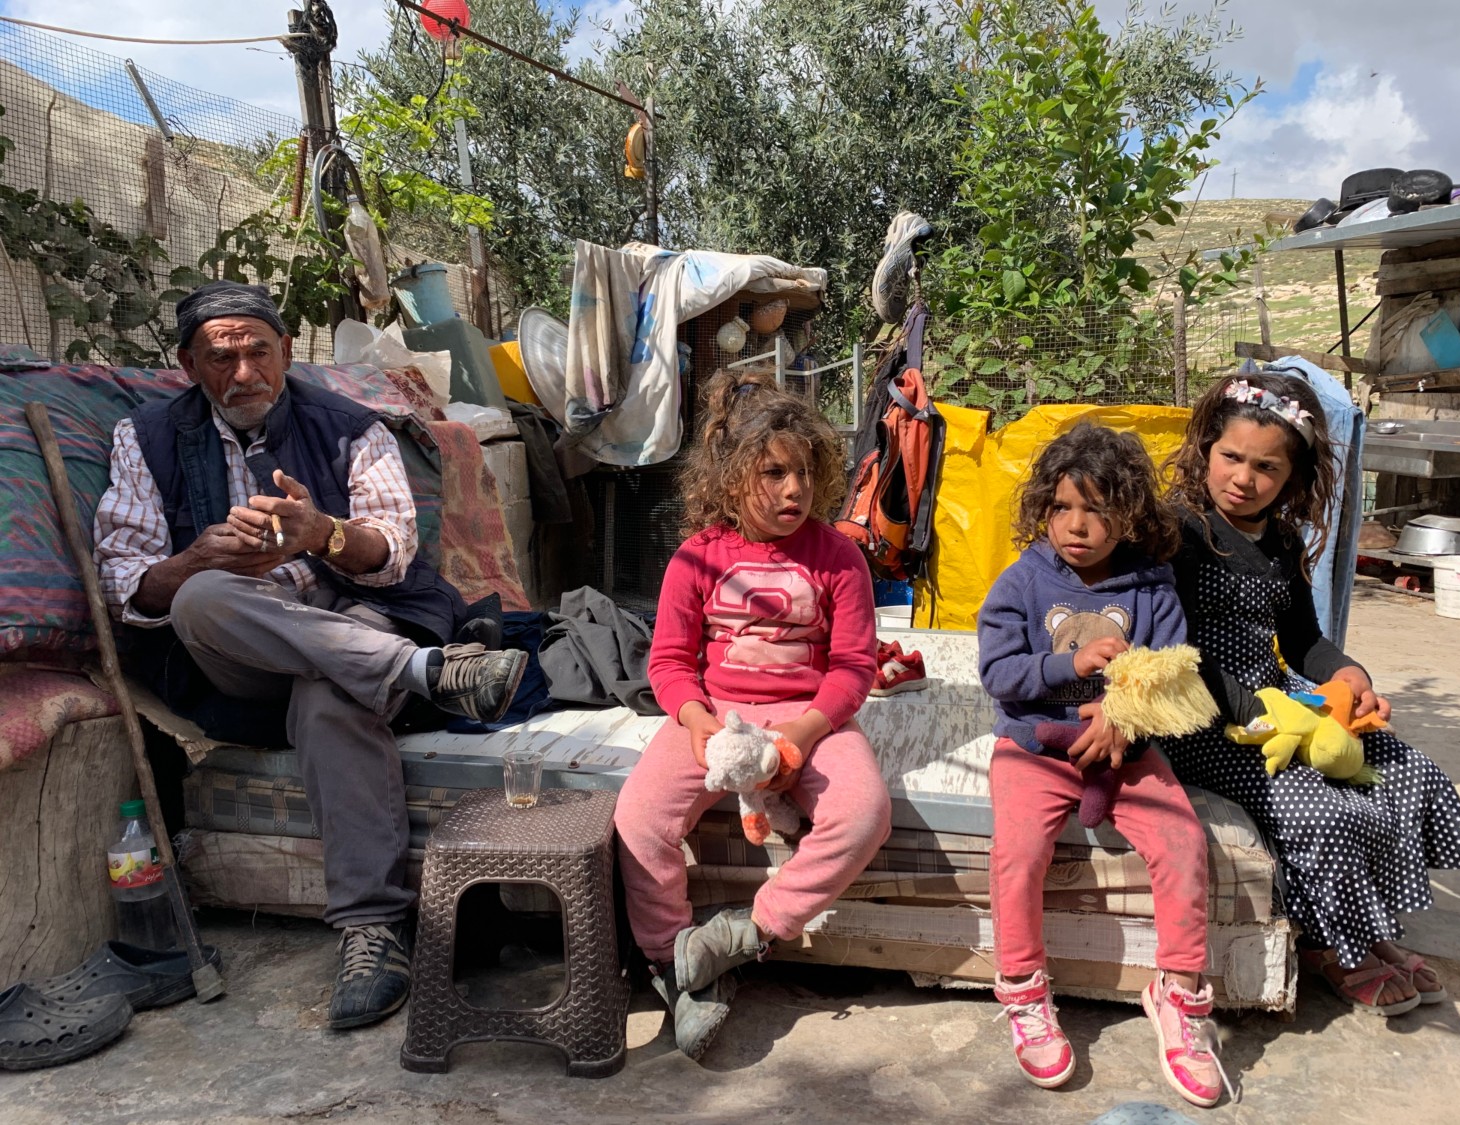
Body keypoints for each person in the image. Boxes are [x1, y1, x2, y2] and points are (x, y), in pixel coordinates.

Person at [93, 281, 528, 1030]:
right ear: (188, 364)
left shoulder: (352, 427)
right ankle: (426, 673)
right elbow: (128, 585)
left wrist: (321, 534)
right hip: (234, 650)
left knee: (331, 691)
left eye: (258, 351)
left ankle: (371, 931)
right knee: (199, 594)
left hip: (356, 612)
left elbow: (393, 552)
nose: (243, 373)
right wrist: (196, 554)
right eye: (220, 357)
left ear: (288, 352)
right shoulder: (147, 437)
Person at [1161, 372, 1460, 1016]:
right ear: (1205, 449)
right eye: (1231, 457)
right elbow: (1178, 653)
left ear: (1293, 477)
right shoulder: (1178, 536)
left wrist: (1348, 678)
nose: (1243, 478)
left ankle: (1367, 925)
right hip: (1206, 725)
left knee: (1404, 770)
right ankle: (1325, 942)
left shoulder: (1281, 540)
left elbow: (1305, 640)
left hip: (1283, 704)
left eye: (1266, 467)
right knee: (1325, 809)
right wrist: (1266, 715)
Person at [613, 370, 892, 1060]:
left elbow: (855, 666)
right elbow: (670, 662)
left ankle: (742, 936)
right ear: (730, 475)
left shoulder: (839, 557)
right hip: (717, 718)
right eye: (772, 472)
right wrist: (696, 719)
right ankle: (675, 967)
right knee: (637, 818)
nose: (794, 489)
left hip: (807, 716)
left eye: (804, 471)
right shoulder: (695, 559)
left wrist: (805, 731)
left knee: (865, 813)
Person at [979, 422, 1224, 1108]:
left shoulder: (1152, 586)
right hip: (1036, 747)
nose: (1078, 525)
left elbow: (1177, 676)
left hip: (1130, 751)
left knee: (1181, 841)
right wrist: (1068, 662)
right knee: (1019, 850)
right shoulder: (1021, 583)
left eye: (1099, 510)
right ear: (1043, 509)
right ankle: (1025, 990)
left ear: (1132, 516)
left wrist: (1124, 717)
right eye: (1062, 508)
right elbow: (998, 673)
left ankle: (1179, 993)